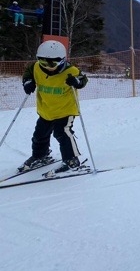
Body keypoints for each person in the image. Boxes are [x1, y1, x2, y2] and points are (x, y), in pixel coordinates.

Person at [18, 40, 89, 174]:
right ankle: (40, 156)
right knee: (39, 135)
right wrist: (28, 82)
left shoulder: (71, 70)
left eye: (52, 63)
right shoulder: (36, 67)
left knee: (62, 134)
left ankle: (71, 160)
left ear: (62, 61)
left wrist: (76, 82)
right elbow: (28, 73)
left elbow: (83, 80)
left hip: (65, 110)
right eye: (43, 62)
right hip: (46, 110)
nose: (48, 67)